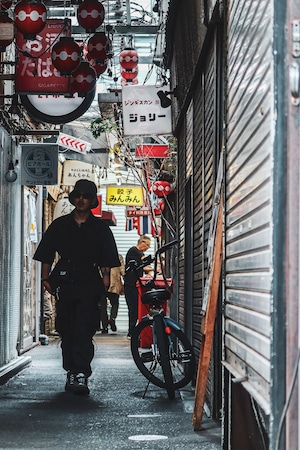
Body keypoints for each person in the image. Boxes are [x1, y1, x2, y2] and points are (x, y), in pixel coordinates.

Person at [33, 179, 120, 396]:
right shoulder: (61, 224)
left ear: (92, 201)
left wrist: (106, 278)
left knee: (85, 327)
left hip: (90, 281)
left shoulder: (100, 227)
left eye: (86, 196)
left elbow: (107, 257)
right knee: (67, 328)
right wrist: (45, 279)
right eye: (78, 195)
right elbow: (46, 252)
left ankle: (81, 371)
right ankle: (71, 369)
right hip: (65, 280)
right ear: (73, 198)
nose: (81, 199)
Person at [124, 235, 153, 338]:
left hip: (134, 285)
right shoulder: (134, 251)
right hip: (130, 285)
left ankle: (134, 331)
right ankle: (131, 332)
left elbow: (143, 265)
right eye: (147, 245)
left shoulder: (139, 253)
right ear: (142, 242)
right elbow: (144, 260)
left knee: (136, 309)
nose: (147, 248)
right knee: (133, 308)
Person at [101, 254, 125, 333]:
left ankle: (104, 327)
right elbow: (123, 271)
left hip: (101, 284)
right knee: (115, 303)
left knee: (102, 305)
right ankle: (112, 318)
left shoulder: (98, 256)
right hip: (114, 283)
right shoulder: (118, 257)